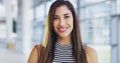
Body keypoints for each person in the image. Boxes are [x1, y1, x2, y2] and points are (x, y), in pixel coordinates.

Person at [28, 0, 98, 63]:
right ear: (51, 22)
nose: (61, 23)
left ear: (74, 19)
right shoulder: (38, 52)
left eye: (66, 16)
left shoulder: (90, 53)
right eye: (55, 18)